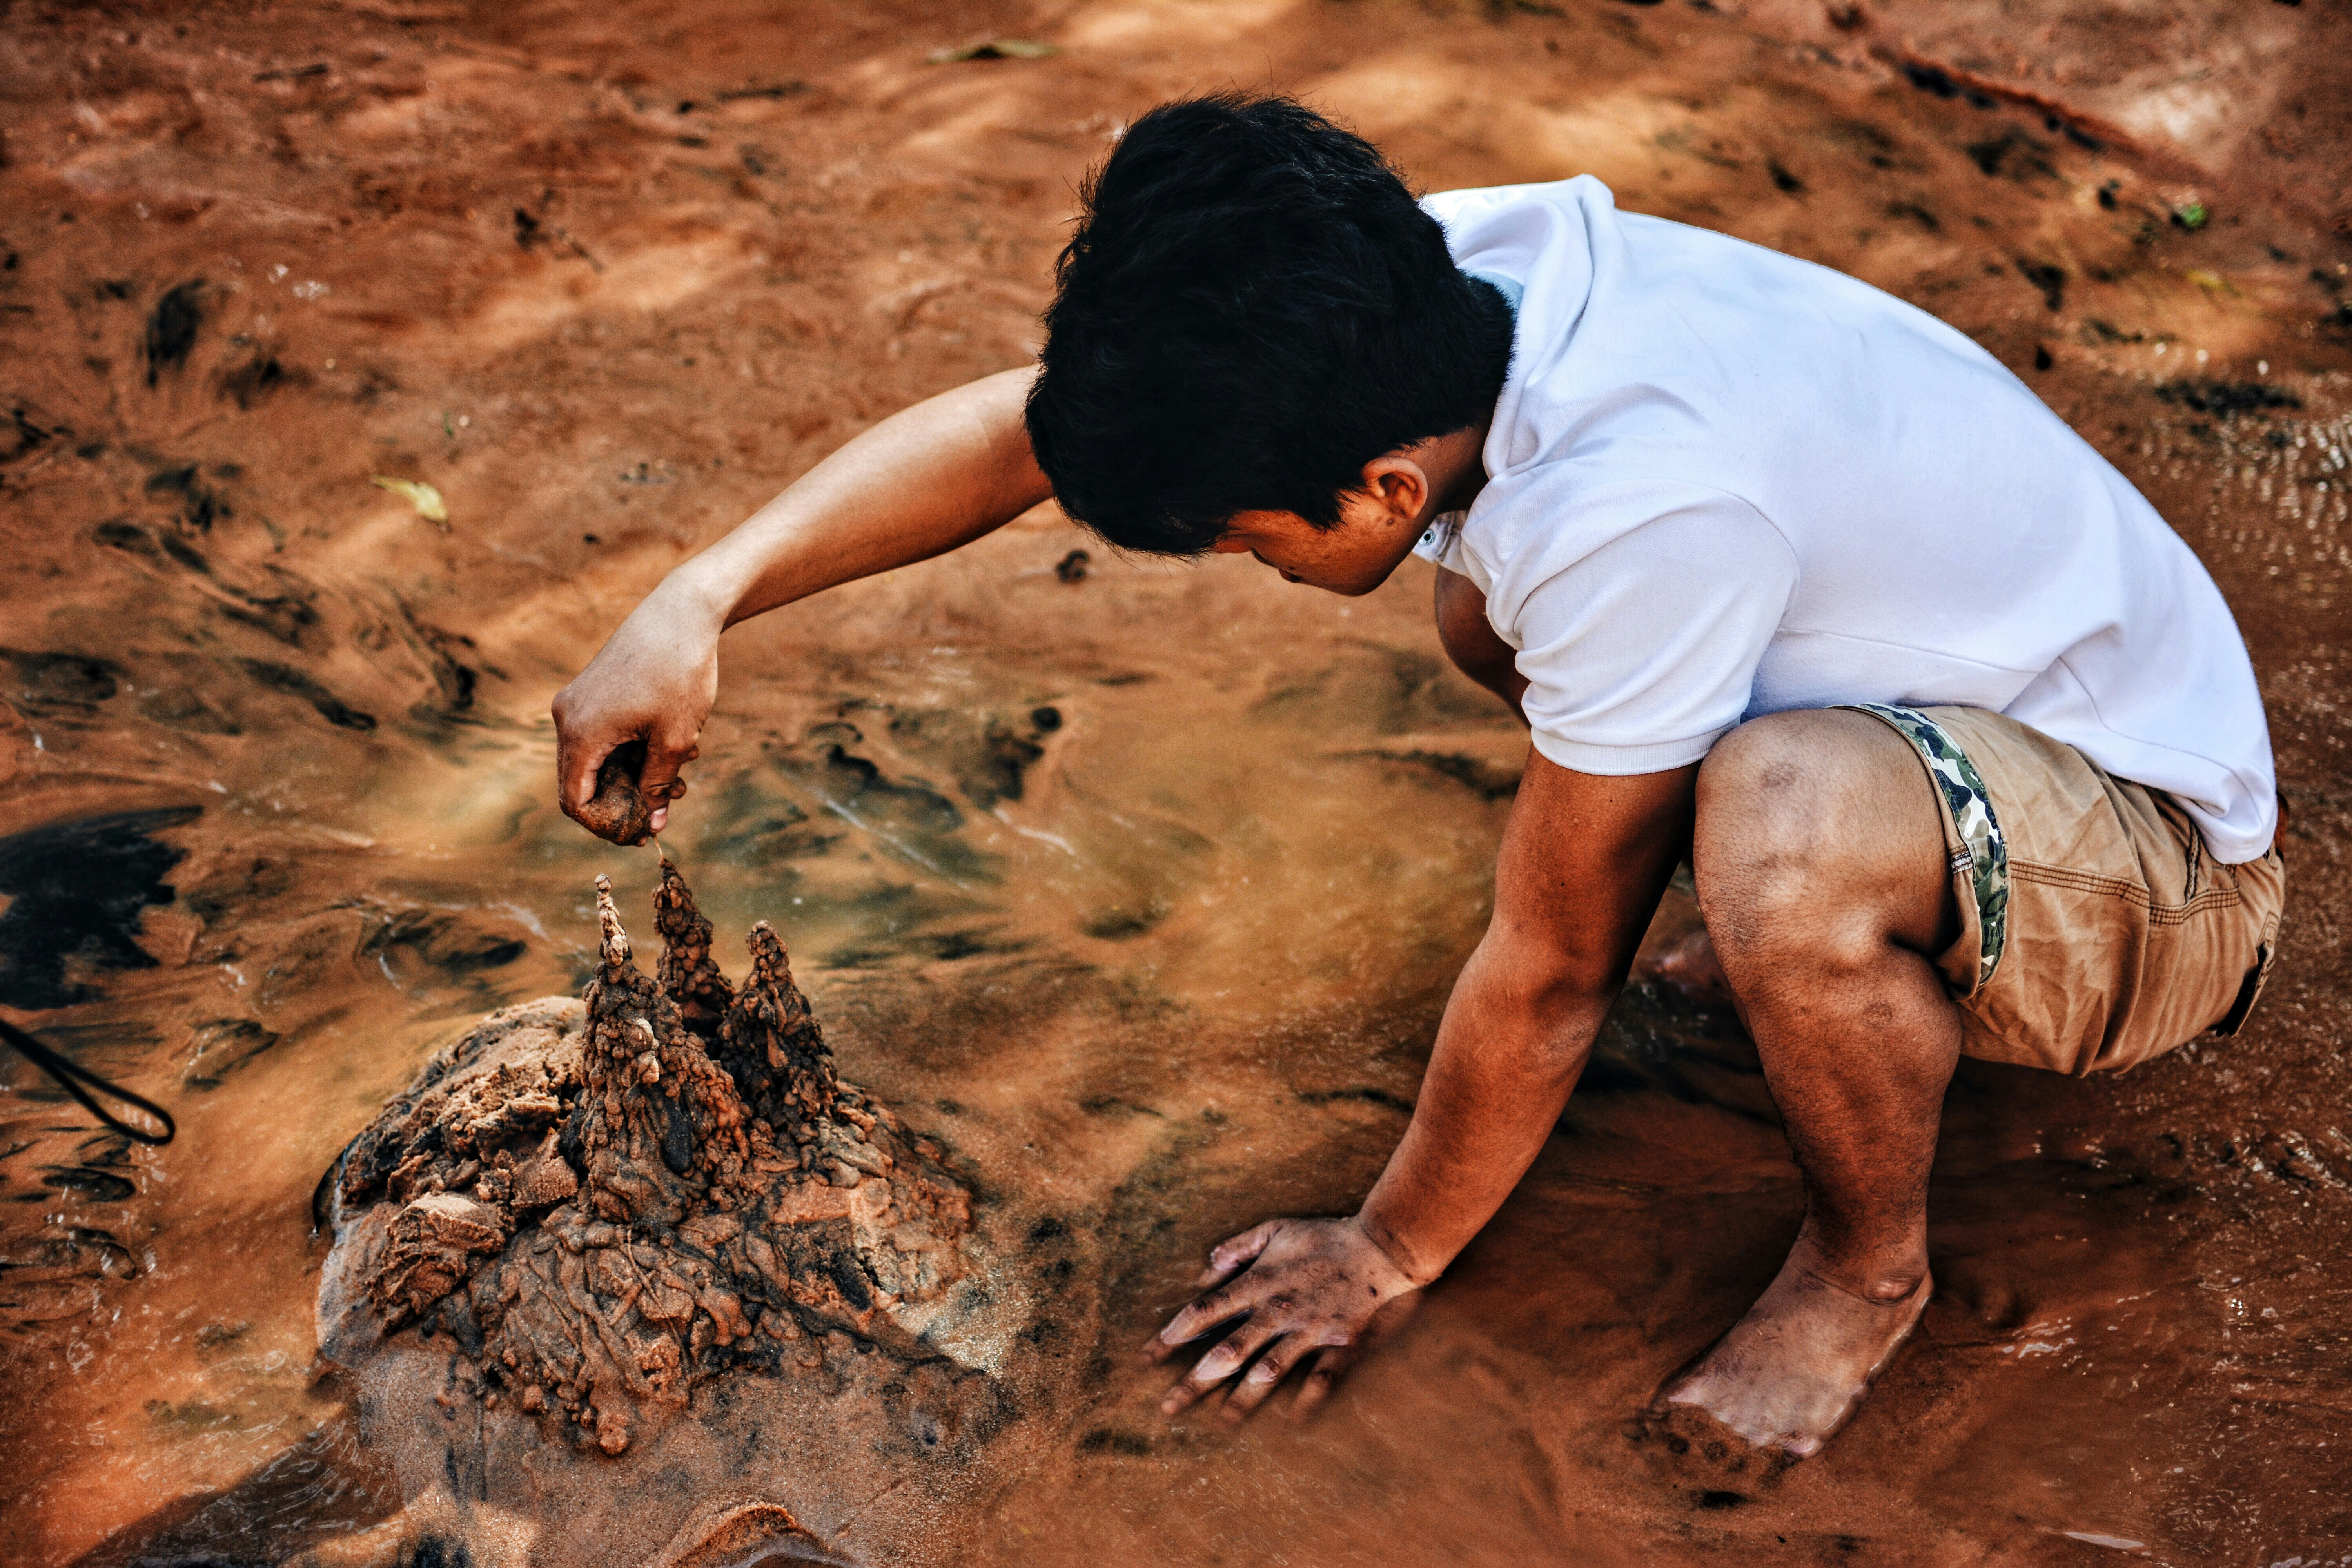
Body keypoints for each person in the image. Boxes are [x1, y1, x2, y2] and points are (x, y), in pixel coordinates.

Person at [550, 94, 2284, 1456]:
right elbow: (1034, 426)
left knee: (1777, 827)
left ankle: (1866, 1263)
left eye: (1243, 537)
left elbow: (1548, 971)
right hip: (1977, 712)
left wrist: (1388, 1248)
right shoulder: (1425, 288)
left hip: (2163, 868)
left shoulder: (1635, 511)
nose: (1243, 560)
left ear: (1378, 484)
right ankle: (1827, 940)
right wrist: (698, 598)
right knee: (1496, 627)